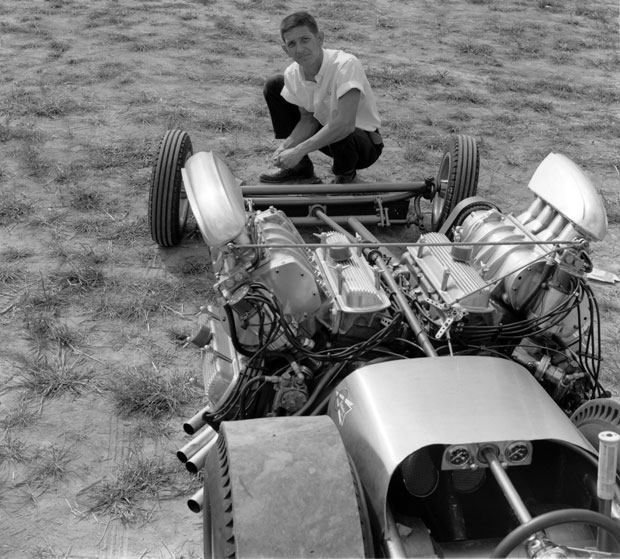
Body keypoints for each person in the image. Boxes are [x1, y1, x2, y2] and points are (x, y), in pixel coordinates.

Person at [259, 12, 383, 184]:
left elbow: (345, 125)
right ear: (286, 50)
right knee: (275, 85)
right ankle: (299, 169)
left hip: (361, 143)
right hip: (329, 129)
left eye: (305, 39)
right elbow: (308, 119)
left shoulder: (345, 65)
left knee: (339, 126)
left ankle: (346, 176)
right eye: (292, 44)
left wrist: (298, 150)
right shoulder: (293, 73)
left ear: (320, 38)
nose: (300, 49)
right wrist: (285, 148)